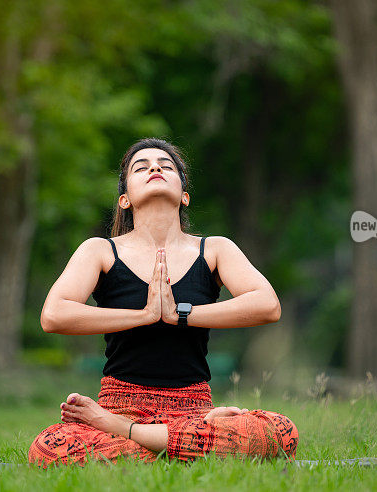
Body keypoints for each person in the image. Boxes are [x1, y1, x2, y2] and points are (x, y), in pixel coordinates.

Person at [28, 138, 298, 468]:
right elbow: (54, 314)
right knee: (48, 447)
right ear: (124, 199)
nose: (155, 168)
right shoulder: (99, 251)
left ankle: (136, 437)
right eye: (141, 167)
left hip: (194, 410)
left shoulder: (214, 249)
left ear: (184, 195)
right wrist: (144, 314)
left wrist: (180, 314)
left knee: (281, 432)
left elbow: (267, 305)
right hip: (118, 405)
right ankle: (187, 448)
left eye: (166, 166)